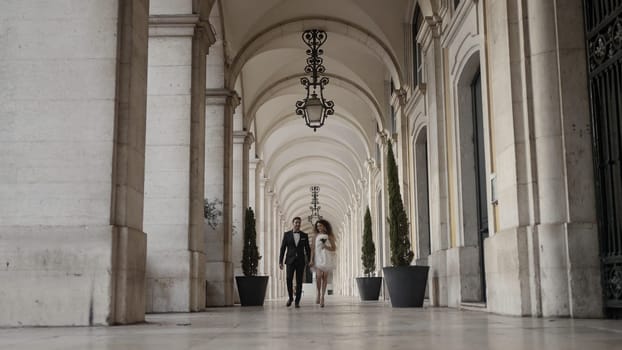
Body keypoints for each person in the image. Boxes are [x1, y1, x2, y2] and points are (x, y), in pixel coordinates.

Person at [279, 217, 311, 308]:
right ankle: (290, 298)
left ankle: (297, 301)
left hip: (300, 261)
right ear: (293, 223)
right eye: (296, 222)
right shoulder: (287, 234)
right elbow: (283, 248)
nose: (297, 224)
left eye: (299, 223)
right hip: (290, 260)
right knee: (289, 279)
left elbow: (308, 249)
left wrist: (309, 260)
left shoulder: (304, 235)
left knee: (299, 281)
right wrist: (280, 261)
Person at [309, 219, 337, 307]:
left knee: (325, 277)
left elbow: (334, 248)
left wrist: (326, 247)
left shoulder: (329, 236)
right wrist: (311, 260)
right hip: (318, 258)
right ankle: (318, 293)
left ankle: (322, 297)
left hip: (327, 258)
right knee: (318, 276)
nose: (318, 227)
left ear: (324, 226)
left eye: (320, 225)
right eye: (317, 226)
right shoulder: (315, 236)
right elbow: (312, 249)